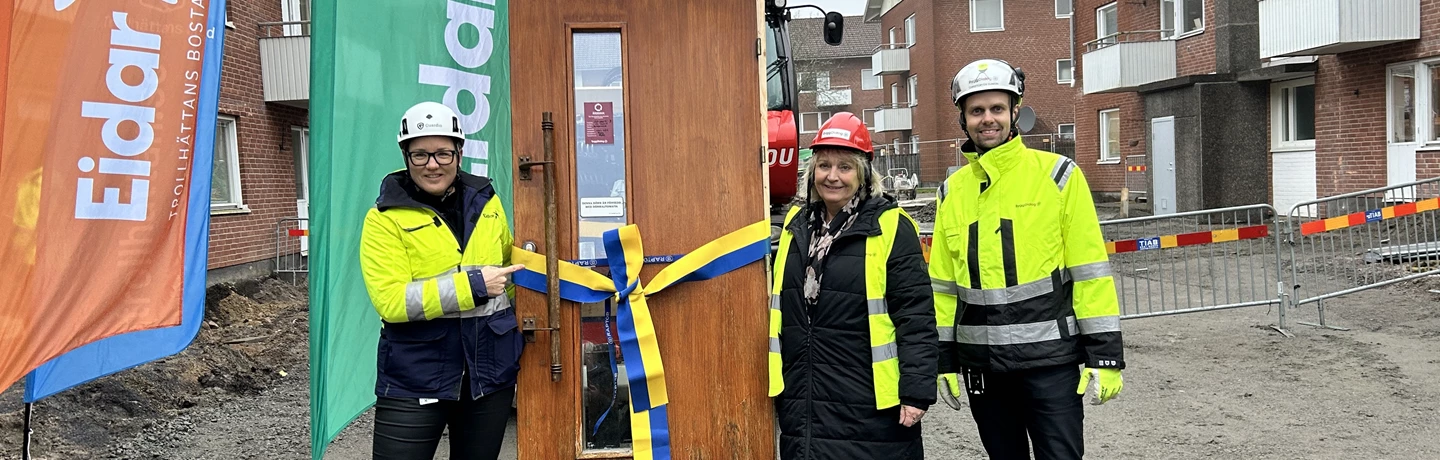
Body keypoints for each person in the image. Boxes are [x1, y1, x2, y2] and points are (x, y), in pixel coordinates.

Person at [929, 58, 1125, 460]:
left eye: (997, 109)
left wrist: (1104, 354)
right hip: (982, 366)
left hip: (1050, 363)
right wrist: (942, 361)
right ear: (963, 119)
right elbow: (943, 290)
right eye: (977, 110)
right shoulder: (951, 193)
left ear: (1015, 111)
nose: (988, 119)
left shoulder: (1059, 176)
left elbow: (1089, 272)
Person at [359, 101, 526, 460]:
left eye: (442, 153)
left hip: (488, 373)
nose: (432, 164)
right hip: (415, 374)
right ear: (406, 156)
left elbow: (508, 270)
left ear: (459, 153)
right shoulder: (383, 219)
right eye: (420, 155)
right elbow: (391, 300)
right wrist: (473, 287)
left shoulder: (488, 201)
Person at [767, 112, 938, 459]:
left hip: (870, 404)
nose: (832, 176)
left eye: (844, 166)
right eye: (824, 165)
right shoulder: (795, 226)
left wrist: (916, 391)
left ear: (863, 173)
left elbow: (916, 315)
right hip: (806, 397)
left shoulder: (890, 226)